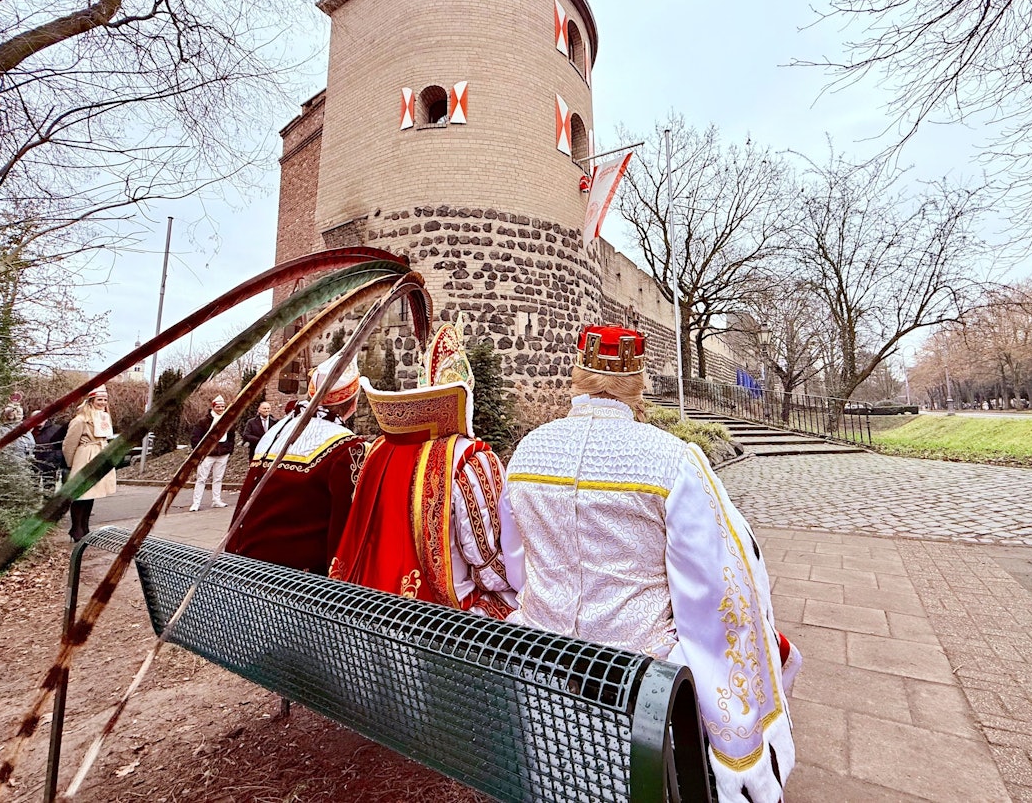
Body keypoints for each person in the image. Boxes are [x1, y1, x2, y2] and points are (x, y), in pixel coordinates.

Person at [499, 325, 799, 802]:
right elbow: (711, 590)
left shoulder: (527, 451)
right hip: (641, 683)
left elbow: (516, 566)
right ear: (638, 384)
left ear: (576, 377)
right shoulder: (669, 458)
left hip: (539, 667)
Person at [329, 318, 515, 618]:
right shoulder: (471, 458)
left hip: (366, 606)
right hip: (436, 616)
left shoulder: (378, 449)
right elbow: (489, 567)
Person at [225, 355, 367, 574]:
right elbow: (345, 528)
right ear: (353, 403)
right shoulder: (348, 447)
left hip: (243, 565)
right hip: (298, 580)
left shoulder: (277, 430)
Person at [61, 388, 117, 542]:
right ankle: (76, 529)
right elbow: (69, 444)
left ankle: (85, 527)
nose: (103, 403)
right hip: (84, 457)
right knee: (80, 495)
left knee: (92, 494)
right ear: (91, 401)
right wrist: (71, 464)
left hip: (99, 456)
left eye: (105, 400)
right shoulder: (80, 420)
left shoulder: (104, 418)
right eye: (99, 400)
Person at [190, 395, 235, 511]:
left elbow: (231, 436)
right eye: (218, 407)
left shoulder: (228, 420)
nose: (221, 409)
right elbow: (195, 438)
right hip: (207, 454)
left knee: (218, 478)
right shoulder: (203, 421)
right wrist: (200, 452)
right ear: (213, 407)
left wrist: (229, 449)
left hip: (223, 453)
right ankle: (196, 503)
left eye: (223, 407)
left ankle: (216, 500)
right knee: (201, 478)